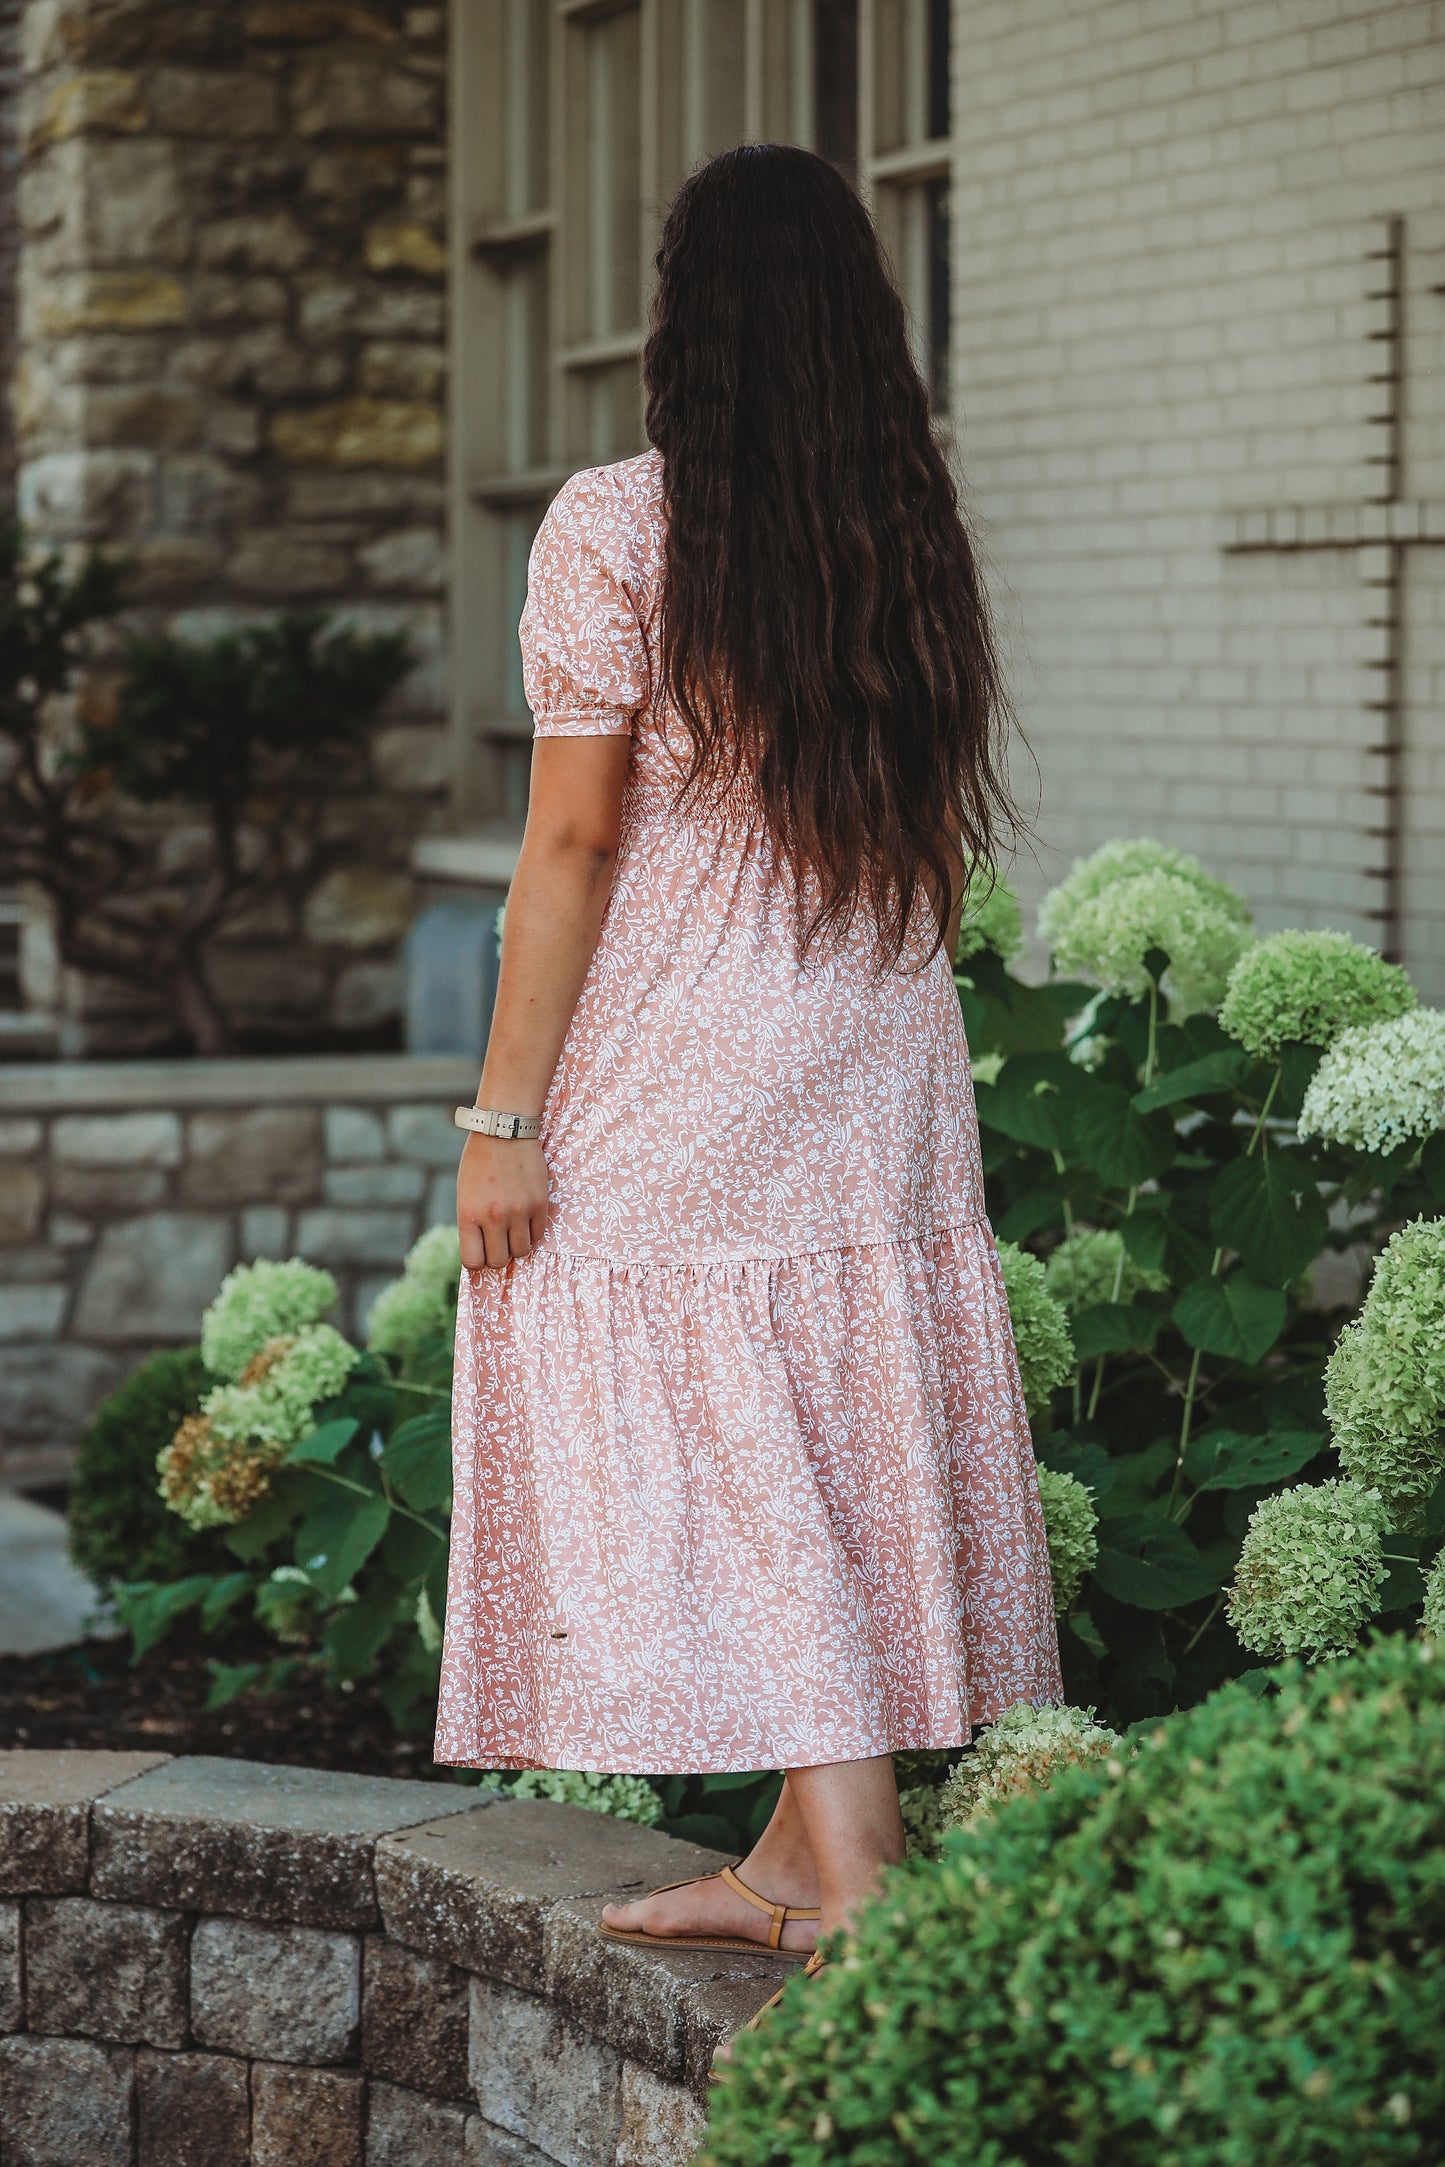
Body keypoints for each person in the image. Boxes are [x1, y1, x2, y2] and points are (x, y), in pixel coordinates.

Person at [436, 144, 1060, 1995]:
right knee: (816, 1398)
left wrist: (500, 1120)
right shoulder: (899, 513)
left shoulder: (618, 524)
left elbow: (567, 850)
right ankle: (793, 1862)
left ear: (677, 324)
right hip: (871, 1032)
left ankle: (853, 1864)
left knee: (709, 1407)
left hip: (689, 1042)